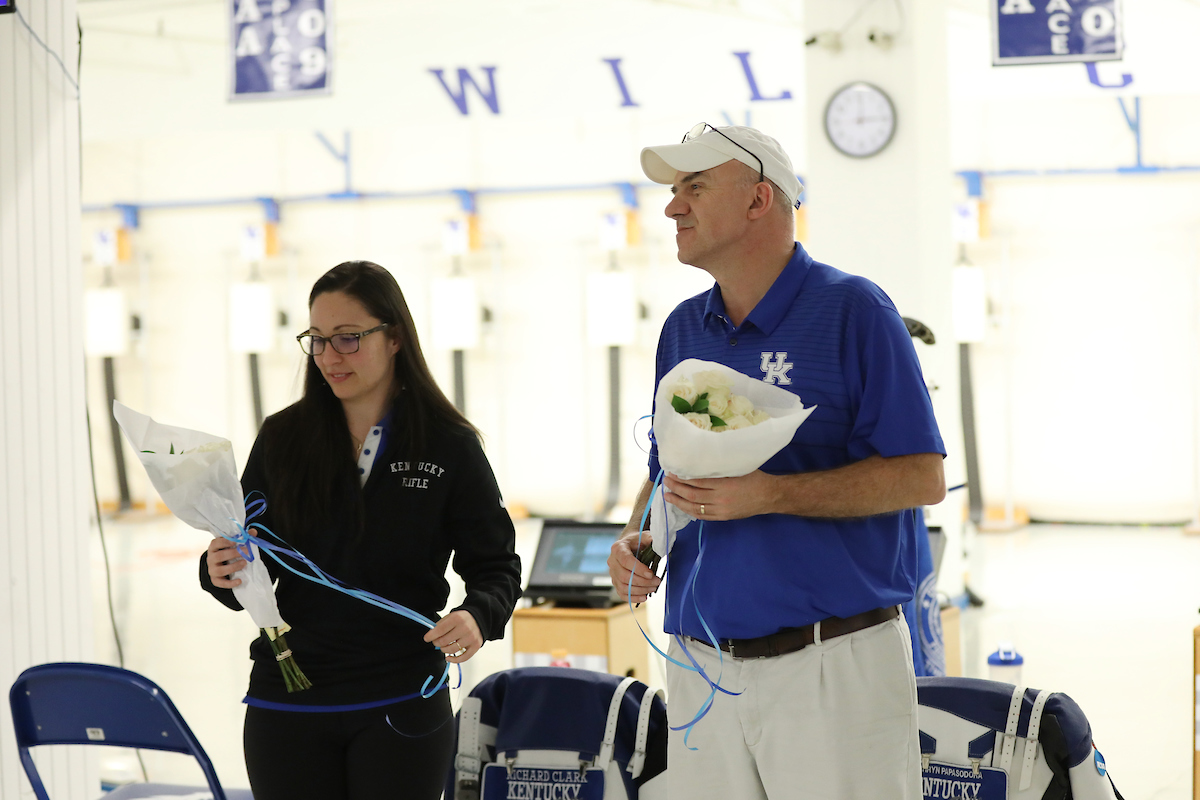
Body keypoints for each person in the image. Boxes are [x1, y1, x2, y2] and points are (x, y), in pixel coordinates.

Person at [608, 124, 946, 798]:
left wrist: (772, 495)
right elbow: (665, 472)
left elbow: (921, 476)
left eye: (694, 188)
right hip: (702, 666)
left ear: (760, 200)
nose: (673, 207)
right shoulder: (681, 329)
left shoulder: (854, 311)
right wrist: (637, 537)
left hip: (830, 665)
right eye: (674, 192)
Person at [201, 260, 521, 800]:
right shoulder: (283, 439)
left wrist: (477, 615)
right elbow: (248, 561)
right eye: (317, 340)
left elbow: (496, 567)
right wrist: (220, 570)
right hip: (289, 699)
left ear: (394, 337)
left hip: (400, 699)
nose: (329, 356)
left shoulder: (448, 446)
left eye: (348, 338)